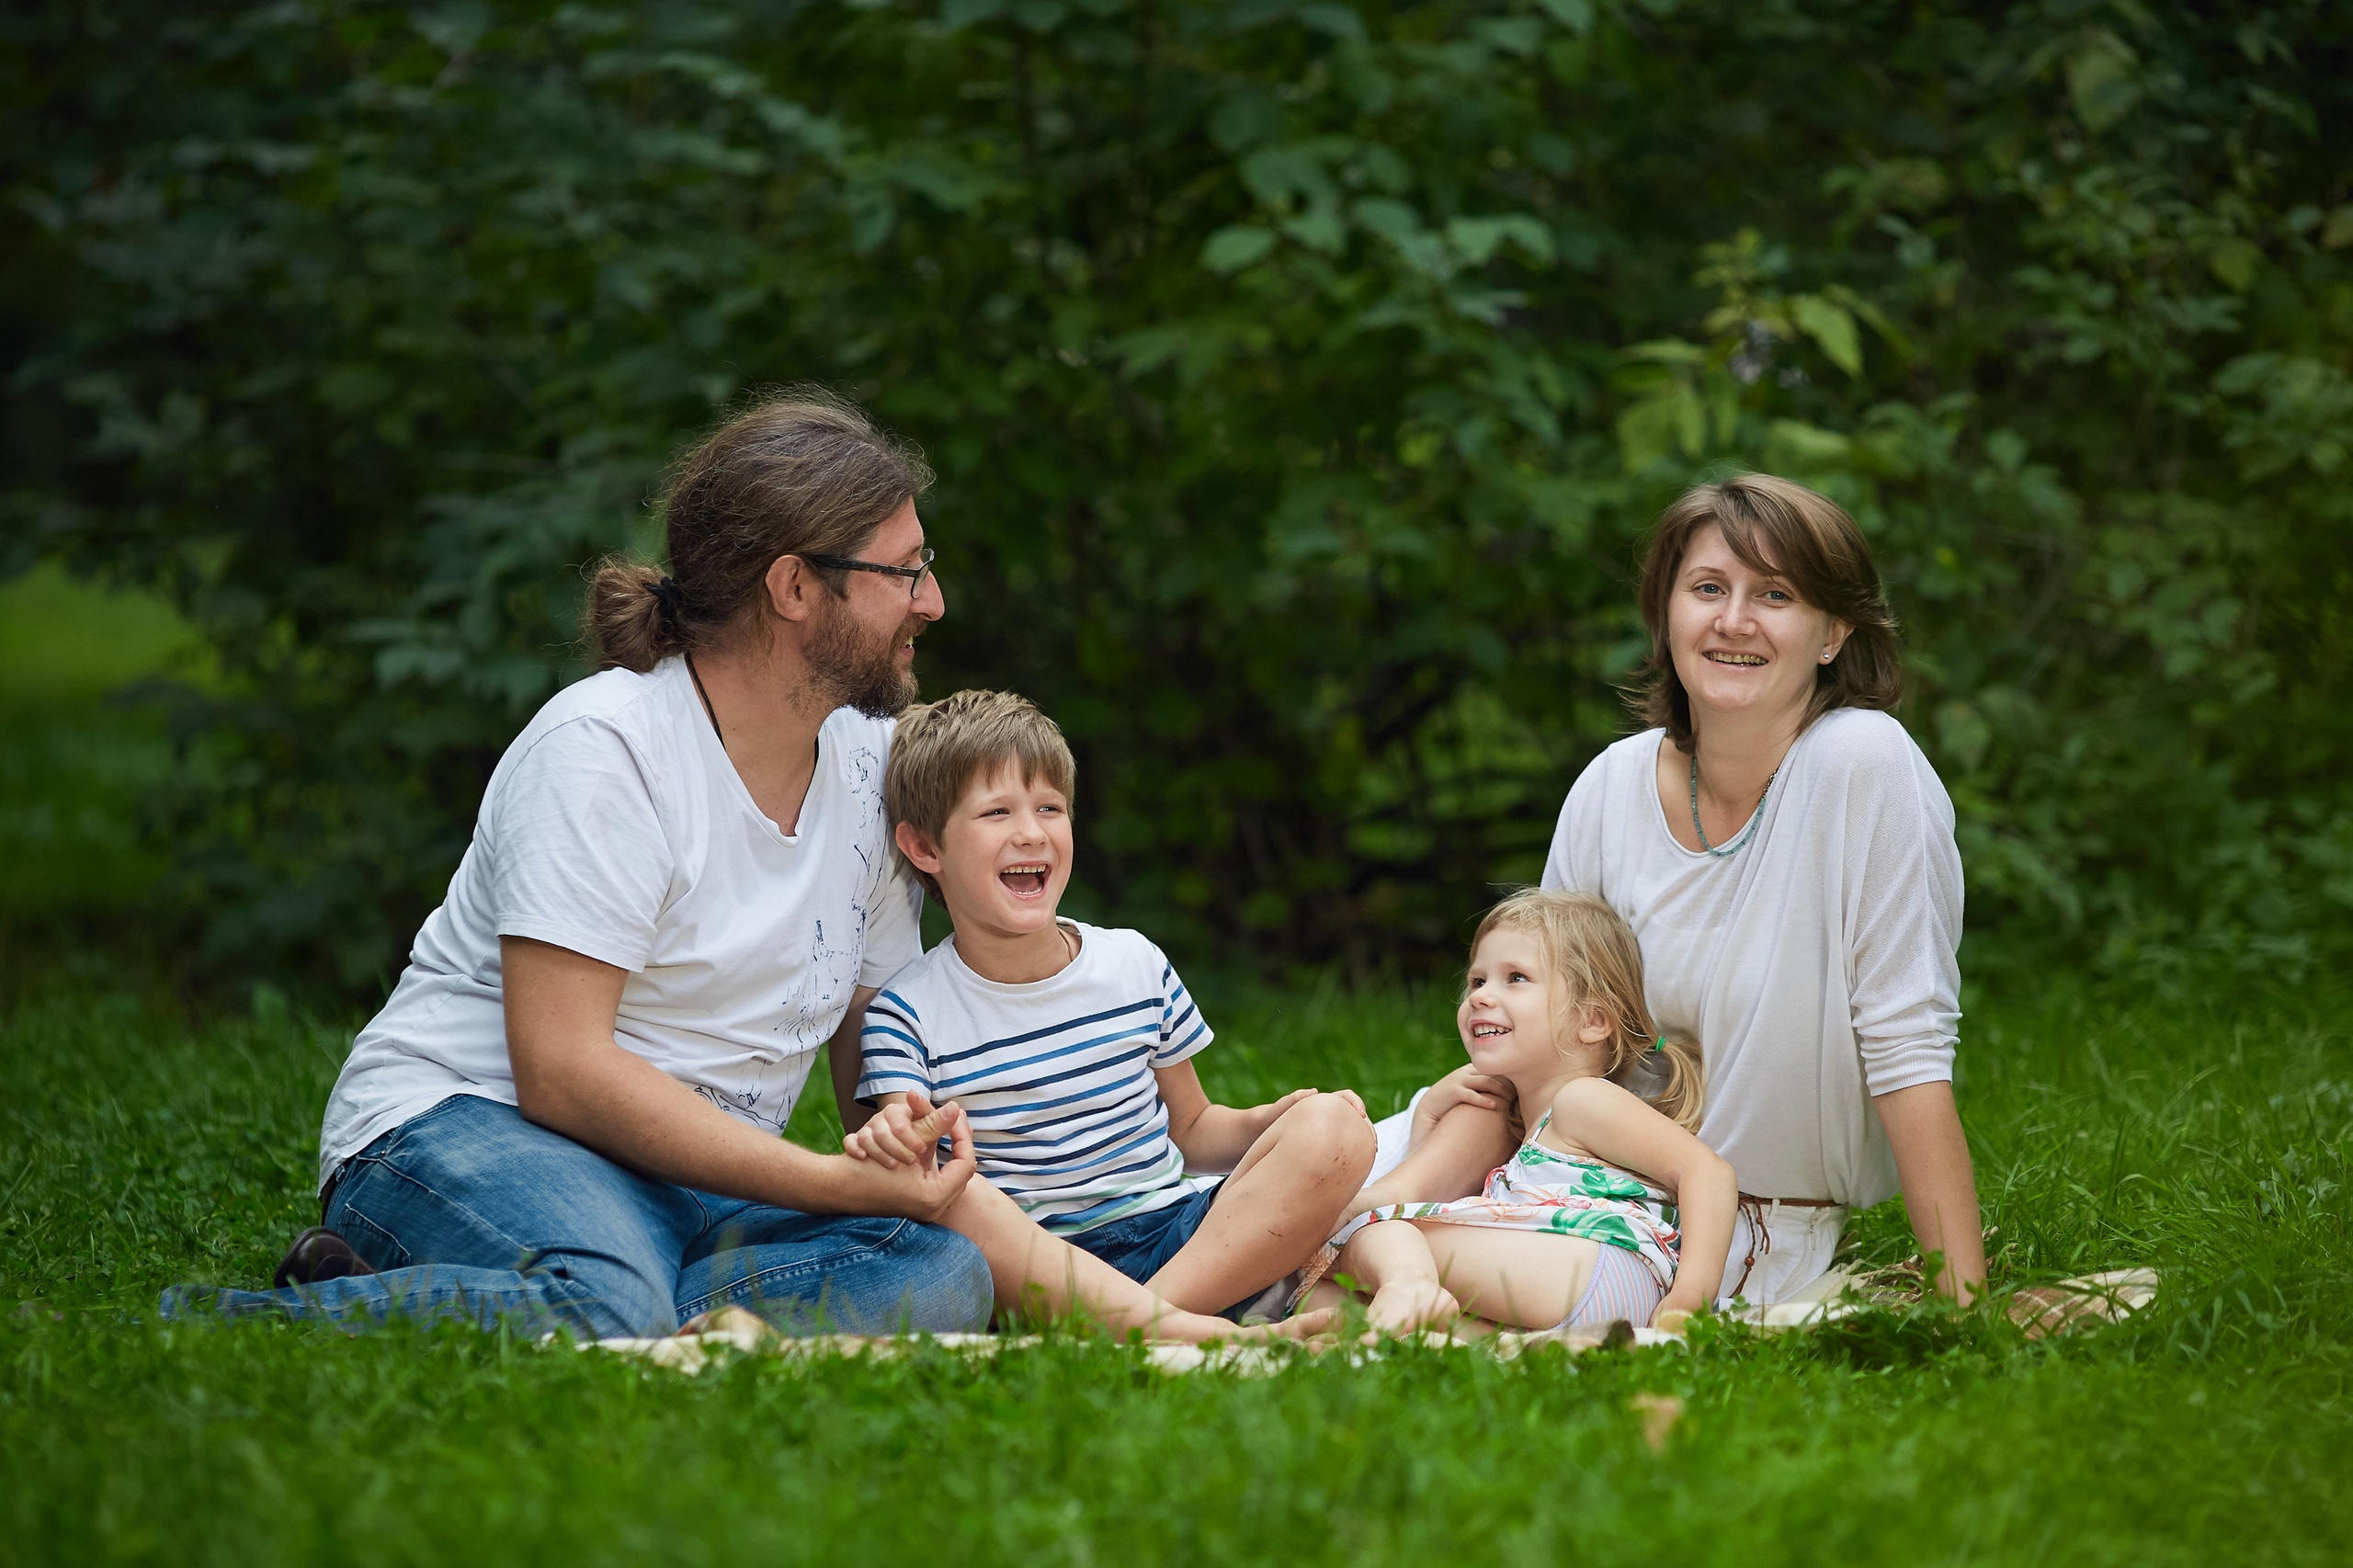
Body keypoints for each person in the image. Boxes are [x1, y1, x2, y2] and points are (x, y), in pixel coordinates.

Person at [161, 391, 995, 1339]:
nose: (932, 600)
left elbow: (869, 1031)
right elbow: (559, 1068)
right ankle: (233, 1324)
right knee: (608, 1300)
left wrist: (900, 1142)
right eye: (905, 571)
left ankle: (523, 1301)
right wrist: (825, 1181)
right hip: (473, 1124)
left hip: (694, 1176)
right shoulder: (606, 749)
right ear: (795, 587)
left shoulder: (866, 764)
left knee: (935, 1269)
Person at [1361, 473, 1984, 1306]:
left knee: (1337, 1240)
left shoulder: (1864, 768)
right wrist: (1426, 1161)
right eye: (1707, 588)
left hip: (1710, 1231)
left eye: (1775, 593)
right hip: (1546, 1178)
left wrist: (1965, 1302)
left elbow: (1908, 1047)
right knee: (1290, 1160)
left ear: (1833, 632)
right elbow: (1529, 1043)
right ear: (1667, 615)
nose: (1734, 620)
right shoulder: (1612, 785)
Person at [841, 689, 1370, 1337]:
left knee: (1336, 1127)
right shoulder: (906, 1014)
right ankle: (1182, 1330)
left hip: (1181, 1238)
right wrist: (892, 1140)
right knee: (957, 1195)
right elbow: (915, 1159)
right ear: (924, 848)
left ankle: (1143, 1329)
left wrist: (1273, 1121)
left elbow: (1194, 1128)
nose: (1030, 831)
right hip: (1041, 1266)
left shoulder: (1133, 964)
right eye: (997, 811)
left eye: (1050, 808)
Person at [1304, 890, 1734, 1334]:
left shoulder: (1583, 1099)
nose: (1481, 996)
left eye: (1516, 978)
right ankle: (1442, 1327)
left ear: (1591, 1020)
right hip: (1573, 1294)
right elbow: (1430, 1200)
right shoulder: (1527, 1130)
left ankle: (1409, 1284)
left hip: (1600, 1265)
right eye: (1477, 981)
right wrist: (1429, 1116)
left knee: (1368, 1234)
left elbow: (1708, 1172)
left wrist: (1690, 1297)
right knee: (1322, 1296)